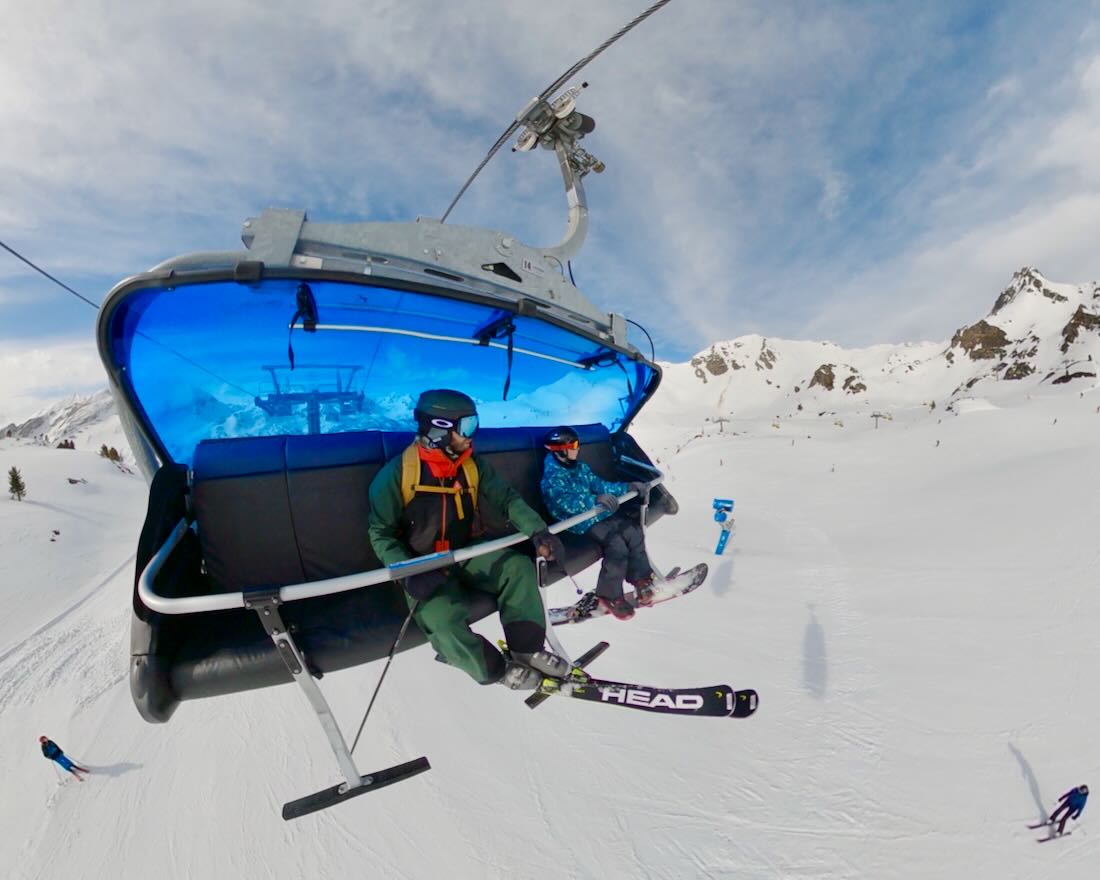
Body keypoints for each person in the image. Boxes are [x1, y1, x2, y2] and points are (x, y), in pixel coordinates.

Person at [368, 389, 569, 690]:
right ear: (439, 429)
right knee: (442, 621)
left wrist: (538, 531)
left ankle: (526, 648)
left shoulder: (471, 466)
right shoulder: (396, 476)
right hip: (424, 566)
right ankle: (496, 670)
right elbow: (380, 533)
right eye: (466, 427)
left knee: (516, 568)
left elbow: (506, 499)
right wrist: (408, 570)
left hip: (464, 553)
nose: (471, 436)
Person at [539, 426, 655, 621]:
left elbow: (600, 485)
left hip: (598, 514)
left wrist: (626, 486)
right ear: (561, 450)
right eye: (573, 445)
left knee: (633, 530)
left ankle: (640, 578)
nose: (577, 449)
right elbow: (564, 502)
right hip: (577, 522)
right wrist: (594, 500)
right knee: (616, 544)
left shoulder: (581, 467)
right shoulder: (552, 478)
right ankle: (609, 595)